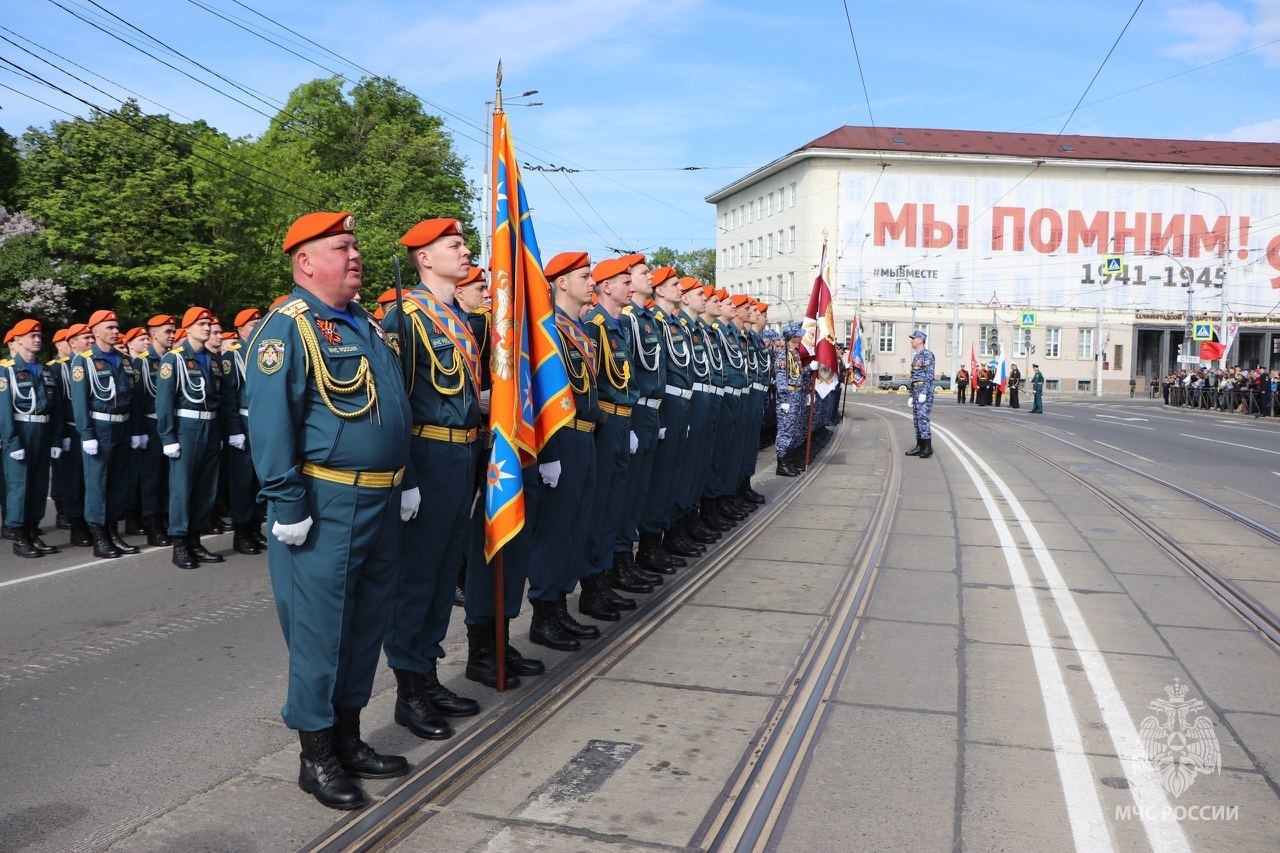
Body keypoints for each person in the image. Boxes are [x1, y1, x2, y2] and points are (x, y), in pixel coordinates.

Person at [245, 211, 415, 810]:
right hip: (327, 501)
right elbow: (271, 424)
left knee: (365, 625)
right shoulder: (287, 328)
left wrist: (410, 478)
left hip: (383, 496)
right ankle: (315, 757)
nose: (355, 255)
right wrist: (287, 501)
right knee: (320, 633)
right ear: (306, 261)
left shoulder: (364, 324)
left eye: (355, 245)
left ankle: (348, 739)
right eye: (342, 246)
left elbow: (395, 411)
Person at [380, 219, 493, 723]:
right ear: (424, 258)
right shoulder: (406, 317)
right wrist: (406, 477)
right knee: (418, 577)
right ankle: (409, 690)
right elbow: (396, 406)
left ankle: (426, 674)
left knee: (446, 573)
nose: (466, 252)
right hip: (426, 457)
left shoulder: (459, 318)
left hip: (463, 455)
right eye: (455, 245)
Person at [156, 307, 231, 569]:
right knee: (182, 488)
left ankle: (195, 539)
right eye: (201, 324)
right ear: (187, 329)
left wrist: (221, 432)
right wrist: (168, 437)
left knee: (205, 487)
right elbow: (164, 402)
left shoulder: (213, 360)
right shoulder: (174, 359)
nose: (207, 328)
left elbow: (220, 399)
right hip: (186, 428)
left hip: (210, 426)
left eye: (209, 323)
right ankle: (179, 542)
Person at [69, 309, 145, 558]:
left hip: (122, 425)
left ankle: (113, 532)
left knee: (118, 482)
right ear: (95, 331)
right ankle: (99, 537)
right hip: (99, 427)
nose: (115, 331)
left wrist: (135, 431)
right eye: (109, 327)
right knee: (97, 483)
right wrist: (86, 434)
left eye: (116, 327)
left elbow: (133, 399)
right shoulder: (84, 360)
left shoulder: (124, 359)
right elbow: (79, 402)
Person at [0, 319, 61, 557]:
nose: (37, 339)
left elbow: (56, 409)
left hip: (43, 430)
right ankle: (19, 536)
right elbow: (4, 411)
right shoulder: (6, 370)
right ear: (17, 340)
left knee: (38, 484)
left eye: (38, 336)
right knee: (19, 485)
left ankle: (33, 531)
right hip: (21, 430)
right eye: (31, 336)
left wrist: (56, 439)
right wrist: (12, 441)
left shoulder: (45, 370)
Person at [225, 308, 266, 554]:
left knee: (260, 479)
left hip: (262, 421)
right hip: (244, 421)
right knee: (243, 480)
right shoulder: (233, 356)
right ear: (240, 330)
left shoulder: (264, 350)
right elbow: (229, 396)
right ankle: (241, 533)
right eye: (253, 325)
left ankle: (254, 528)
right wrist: (234, 430)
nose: (258, 328)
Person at [774, 322, 808, 475]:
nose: (801, 338)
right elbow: (781, 379)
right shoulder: (784, 356)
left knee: (793, 430)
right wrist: (784, 400)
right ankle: (781, 464)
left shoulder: (794, 354)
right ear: (792, 337)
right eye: (798, 335)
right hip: (788, 399)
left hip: (796, 396)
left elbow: (796, 374)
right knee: (785, 431)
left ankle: (788, 461)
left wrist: (810, 368)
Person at [905, 329, 935, 459]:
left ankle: (927, 447)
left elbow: (929, 375)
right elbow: (913, 377)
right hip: (916, 390)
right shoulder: (916, 356)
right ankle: (919, 446)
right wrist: (911, 395)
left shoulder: (927, 355)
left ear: (920, 340)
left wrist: (924, 392)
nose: (911, 341)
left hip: (924, 390)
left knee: (923, 418)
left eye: (913, 338)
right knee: (917, 419)